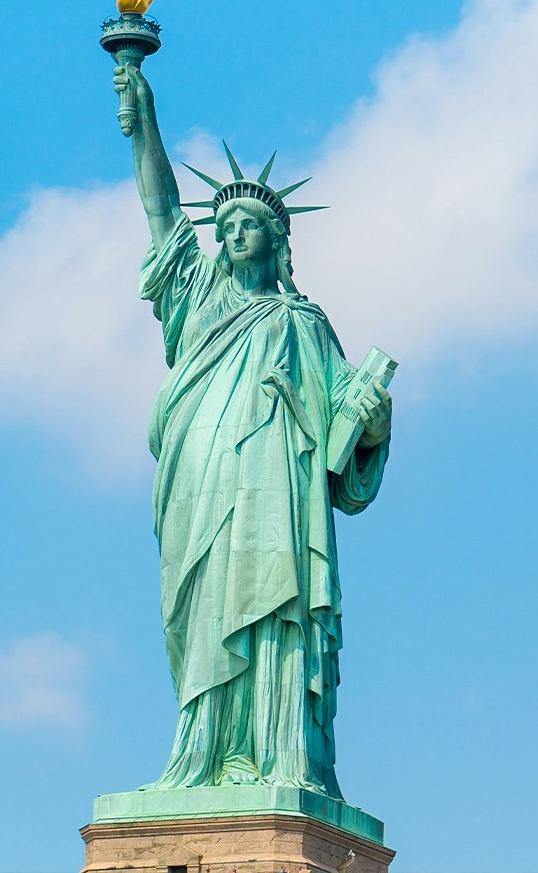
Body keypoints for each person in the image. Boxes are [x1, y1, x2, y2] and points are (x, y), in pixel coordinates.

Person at [114, 61, 392, 798]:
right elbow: (161, 210)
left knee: (273, 603)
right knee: (201, 606)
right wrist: (141, 114)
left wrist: (371, 421)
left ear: (277, 241)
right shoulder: (196, 295)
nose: (234, 234)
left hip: (275, 485)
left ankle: (273, 755)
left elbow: (345, 438)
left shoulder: (303, 322)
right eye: (227, 226)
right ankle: (203, 755)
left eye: (250, 227)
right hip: (199, 475)